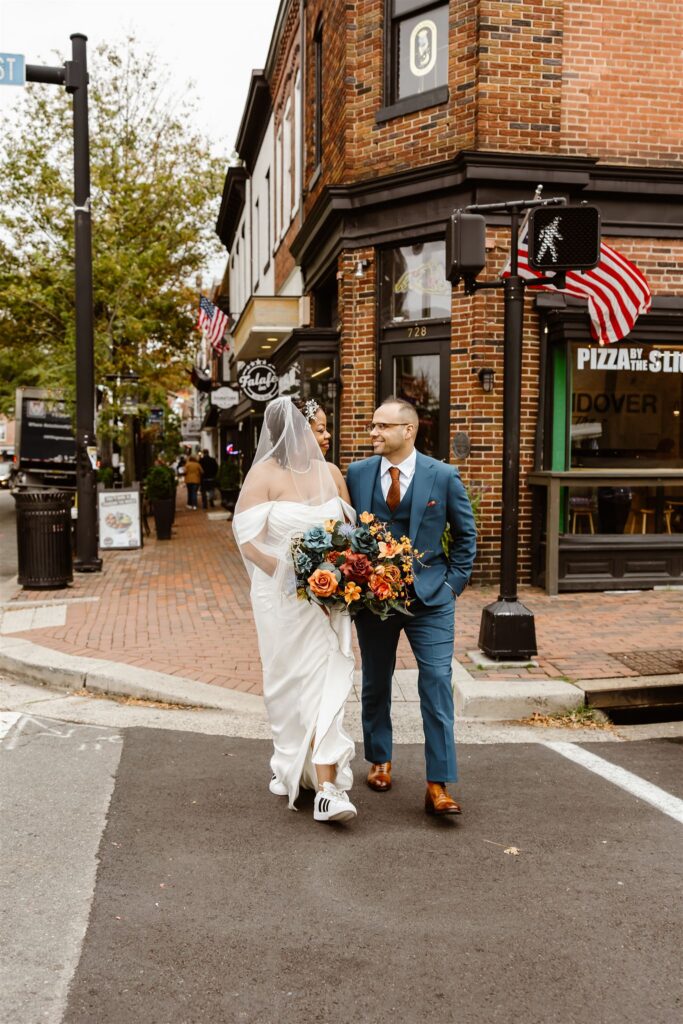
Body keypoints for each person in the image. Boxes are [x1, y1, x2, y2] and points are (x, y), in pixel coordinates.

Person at [346, 396, 476, 816]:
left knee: (437, 683)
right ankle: (380, 759)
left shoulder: (444, 476)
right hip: (375, 601)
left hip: (431, 599)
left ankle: (438, 783)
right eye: (372, 425)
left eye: (382, 426)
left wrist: (452, 585)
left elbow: (465, 537)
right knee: (375, 683)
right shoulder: (358, 473)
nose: (374, 433)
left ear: (409, 430)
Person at [232, 396, 358, 824]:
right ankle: (290, 763)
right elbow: (248, 539)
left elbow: (349, 534)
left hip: (329, 602)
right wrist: (293, 576)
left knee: (327, 682)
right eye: (320, 428)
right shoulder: (264, 476)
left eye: (325, 428)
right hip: (281, 600)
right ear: (296, 433)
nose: (326, 435)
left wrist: (344, 574)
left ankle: (327, 788)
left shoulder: (332, 473)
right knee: (287, 688)